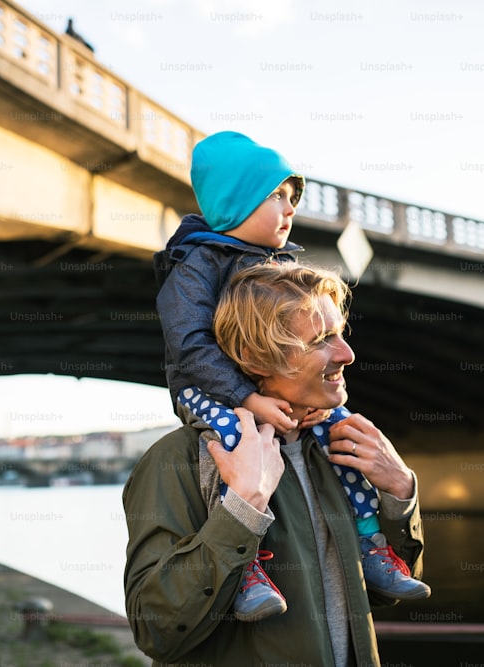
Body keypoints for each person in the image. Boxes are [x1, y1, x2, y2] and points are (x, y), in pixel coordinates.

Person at [153, 131, 429, 621]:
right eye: (276, 195)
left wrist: (400, 493)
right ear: (235, 203)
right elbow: (190, 346)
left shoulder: (276, 266)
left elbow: (382, 606)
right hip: (211, 394)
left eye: (292, 196)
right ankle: (249, 569)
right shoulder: (195, 266)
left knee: (342, 435)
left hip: (259, 397)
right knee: (233, 434)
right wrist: (245, 398)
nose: (290, 207)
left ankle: (372, 546)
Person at [125, 262, 426, 665]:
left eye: (340, 333)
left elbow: (385, 592)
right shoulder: (179, 460)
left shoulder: (338, 453)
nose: (347, 354)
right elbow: (156, 630)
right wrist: (240, 511)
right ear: (255, 358)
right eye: (321, 339)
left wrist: (399, 493)